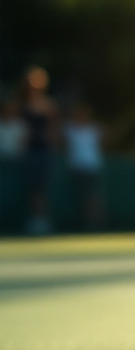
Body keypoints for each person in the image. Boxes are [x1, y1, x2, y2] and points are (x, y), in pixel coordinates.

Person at [21, 67, 59, 236]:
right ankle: (35, 219)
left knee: (43, 186)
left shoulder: (49, 104)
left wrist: (53, 143)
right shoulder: (22, 104)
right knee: (33, 185)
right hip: (29, 150)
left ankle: (42, 219)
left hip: (44, 150)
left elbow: (53, 128)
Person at [62, 102, 105, 231]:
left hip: (92, 167)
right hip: (76, 167)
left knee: (93, 196)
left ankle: (95, 223)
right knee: (79, 197)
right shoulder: (69, 129)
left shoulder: (95, 129)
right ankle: (83, 223)